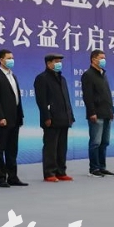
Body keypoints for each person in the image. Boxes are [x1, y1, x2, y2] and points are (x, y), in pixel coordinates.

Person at [0, 49, 27, 188]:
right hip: (3, 120)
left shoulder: (13, 76)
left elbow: (16, 98)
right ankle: (0, 178)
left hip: (15, 118)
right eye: (9, 58)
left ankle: (13, 177)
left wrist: (20, 116)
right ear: (1, 60)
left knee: (12, 150)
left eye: (12, 58)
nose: (11, 60)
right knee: (0, 150)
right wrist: (0, 117)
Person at [33, 53, 75, 182]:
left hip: (64, 118)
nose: (59, 64)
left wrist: (71, 116)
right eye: (56, 61)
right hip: (51, 119)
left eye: (60, 61)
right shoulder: (42, 78)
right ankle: (49, 172)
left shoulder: (62, 79)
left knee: (62, 147)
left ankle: (61, 171)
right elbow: (41, 101)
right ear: (48, 63)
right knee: (51, 147)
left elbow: (66, 99)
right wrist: (46, 117)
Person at [81, 49, 114, 178]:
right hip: (96, 114)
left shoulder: (103, 74)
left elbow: (107, 95)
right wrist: (92, 112)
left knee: (105, 142)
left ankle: (102, 167)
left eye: (104, 58)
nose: (103, 60)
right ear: (93, 59)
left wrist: (111, 111)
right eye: (101, 58)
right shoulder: (88, 75)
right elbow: (87, 96)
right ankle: (94, 168)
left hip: (107, 113)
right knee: (95, 142)